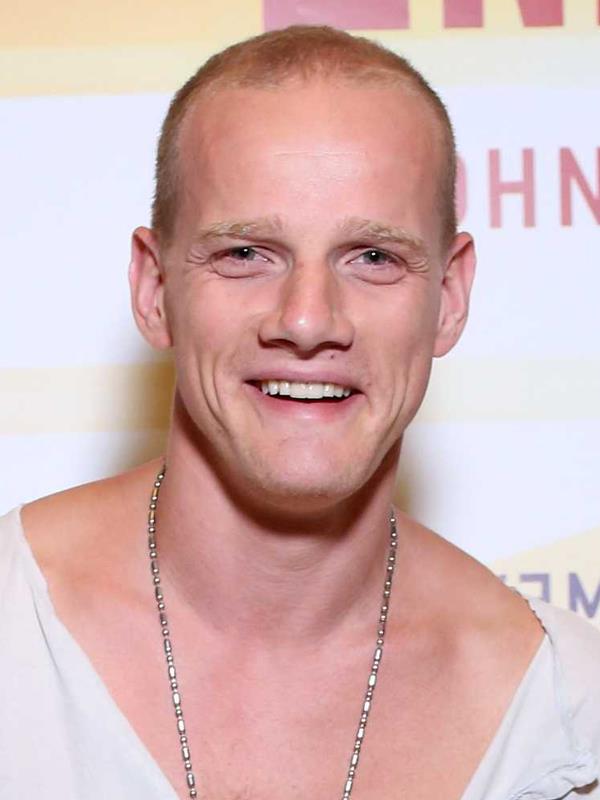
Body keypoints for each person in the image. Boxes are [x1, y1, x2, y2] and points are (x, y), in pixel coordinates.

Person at [1, 24, 598, 800]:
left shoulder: (567, 715)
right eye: (245, 253)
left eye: (373, 257)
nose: (309, 320)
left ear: (450, 299)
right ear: (154, 290)